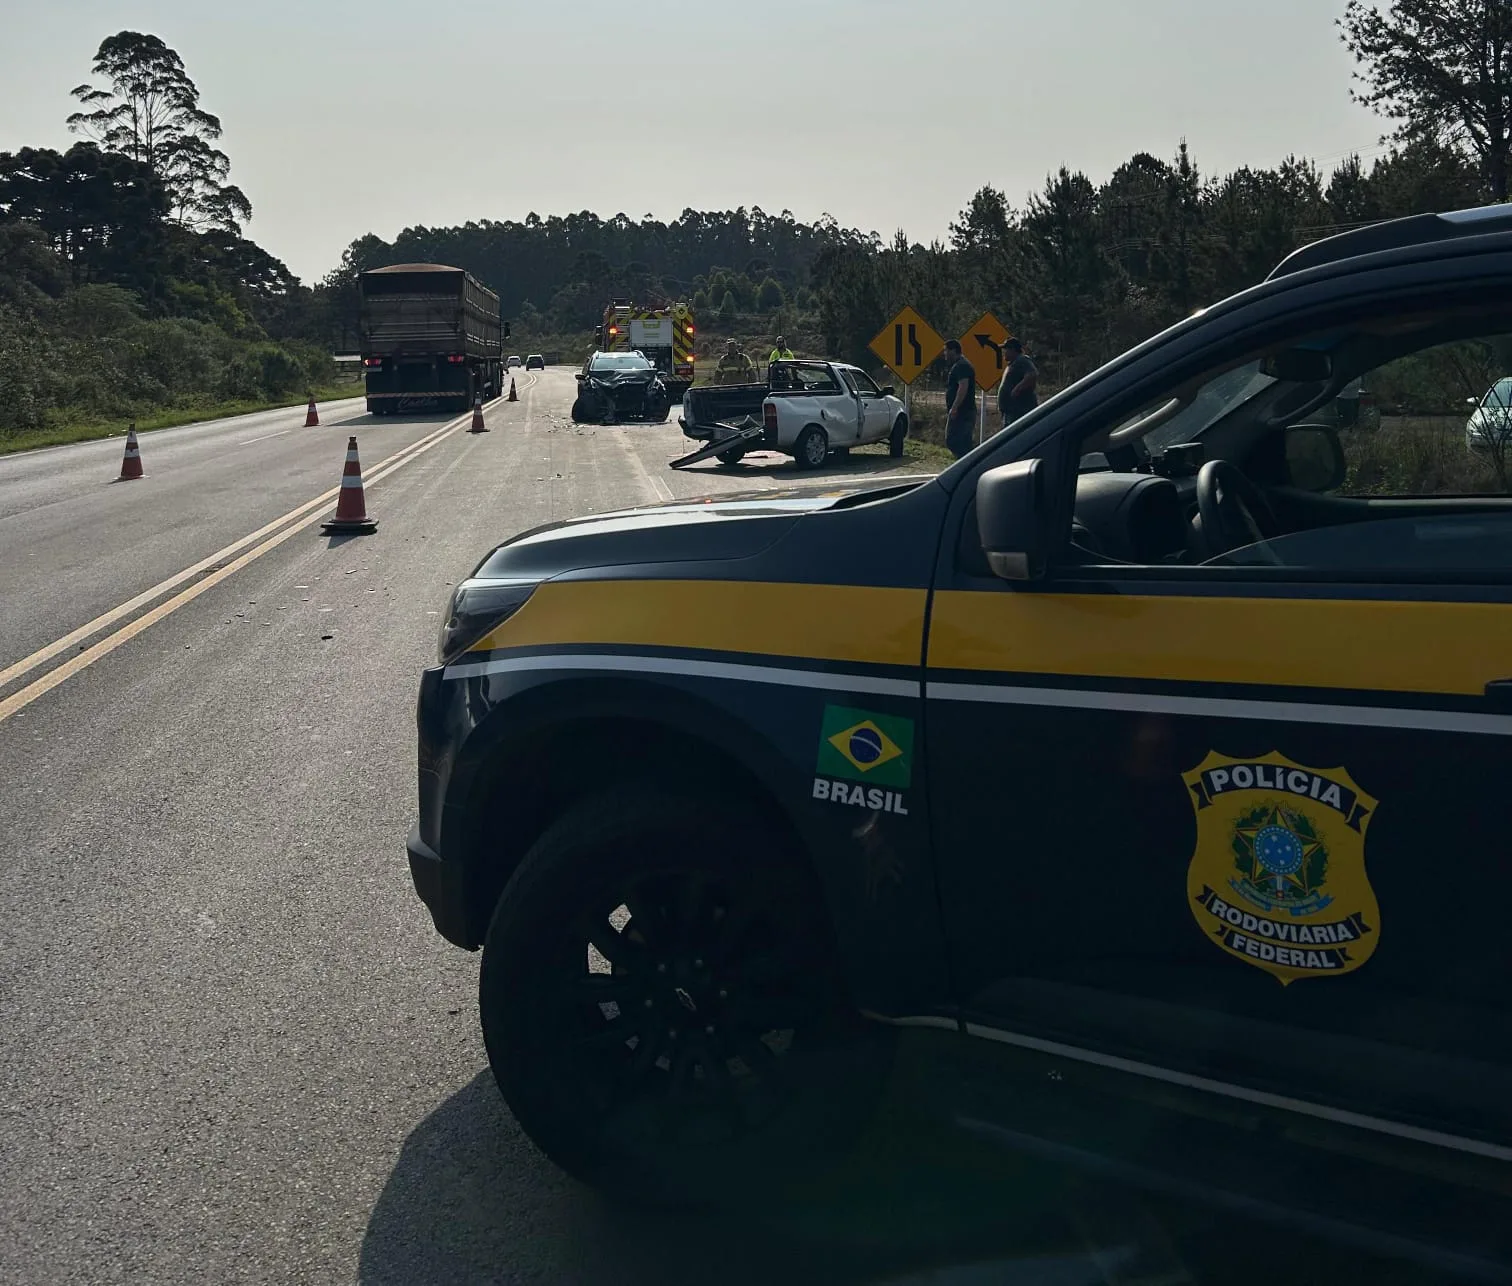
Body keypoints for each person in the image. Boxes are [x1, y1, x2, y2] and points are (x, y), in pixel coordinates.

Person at [942, 338, 977, 459]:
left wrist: (955, 407)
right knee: (953, 441)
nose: (944, 354)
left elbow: (963, 387)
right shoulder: (959, 365)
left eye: (946, 350)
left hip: (963, 412)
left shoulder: (962, 366)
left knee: (959, 442)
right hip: (961, 411)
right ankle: (963, 464)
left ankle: (966, 467)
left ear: (954, 350)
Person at [997, 337, 1039, 428]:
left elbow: (1032, 374)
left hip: (1019, 411)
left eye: (1006, 350)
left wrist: (1017, 389)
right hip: (1010, 411)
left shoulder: (1022, 360)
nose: (1004, 353)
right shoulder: (1014, 363)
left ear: (1012, 349)